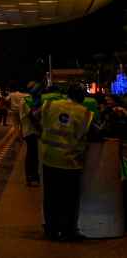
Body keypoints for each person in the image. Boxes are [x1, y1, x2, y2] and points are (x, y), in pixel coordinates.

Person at [39, 84, 93, 241]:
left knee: (50, 198)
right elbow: (95, 132)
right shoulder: (84, 113)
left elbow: (35, 118)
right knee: (69, 199)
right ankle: (68, 232)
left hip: (49, 159)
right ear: (82, 97)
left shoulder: (49, 105)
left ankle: (51, 231)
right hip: (70, 162)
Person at [19, 81, 43, 186]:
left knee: (33, 154)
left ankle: (33, 176)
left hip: (30, 130)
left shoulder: (31, 99)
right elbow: (32, 117)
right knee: (32, 154)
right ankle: (31, 177)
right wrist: (40, 129)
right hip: (29, 130)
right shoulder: (26, 100)